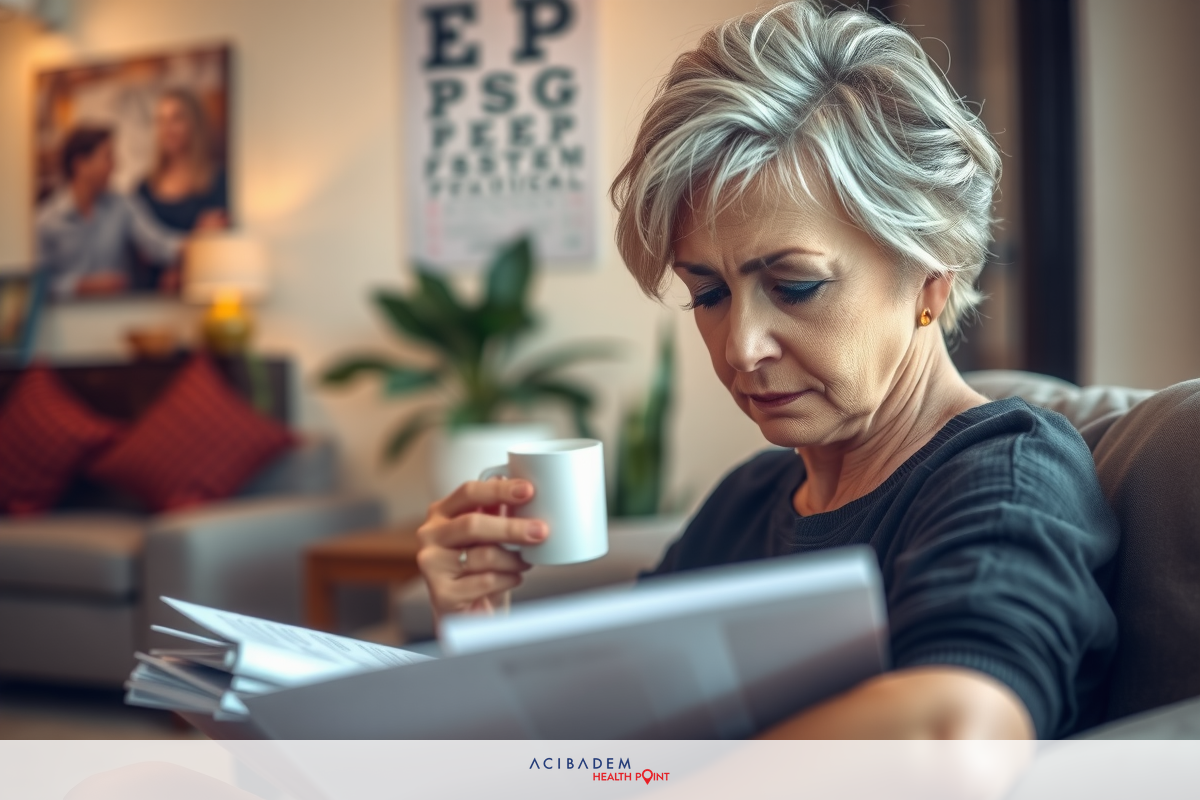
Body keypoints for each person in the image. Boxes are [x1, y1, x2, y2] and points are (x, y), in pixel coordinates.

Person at [415, 1, 1118, 740]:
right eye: (709, 294)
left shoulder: (1006, 474)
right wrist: (475, 630)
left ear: (929, 279)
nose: (740, 348)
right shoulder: (747, 504)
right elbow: (622, 735)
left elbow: (958, 731)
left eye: (795, 286)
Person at [35, 125, 186, 298]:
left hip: (118, 317)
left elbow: (158, 243)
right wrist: (80, 286)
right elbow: (38, 284)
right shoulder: (46, 221)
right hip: (63, 320)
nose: (115, 165)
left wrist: (197, 245)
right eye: (108, 157)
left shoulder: (123, 206)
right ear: (81, 164)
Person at [133, 88, 229, 290]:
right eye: (161, 120)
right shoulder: (143, 188)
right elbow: (140, 248)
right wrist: (196, 239)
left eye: (177, 119)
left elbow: (216, 236)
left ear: (195, 123)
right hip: (149, 298)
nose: (168, 128)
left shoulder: (216, 180)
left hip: (200, 291)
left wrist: (181, 271)